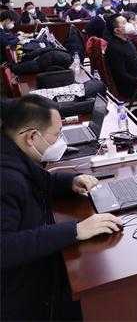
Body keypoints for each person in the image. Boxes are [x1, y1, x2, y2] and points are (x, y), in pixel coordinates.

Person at [1, 95, 122, 321]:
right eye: (56, 135)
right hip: (23, 296)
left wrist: (70, 182)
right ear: (31, 137)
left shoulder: (12, 154)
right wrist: (75, 230)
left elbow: (37, 181)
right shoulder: (7, 180)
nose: (60, 141)